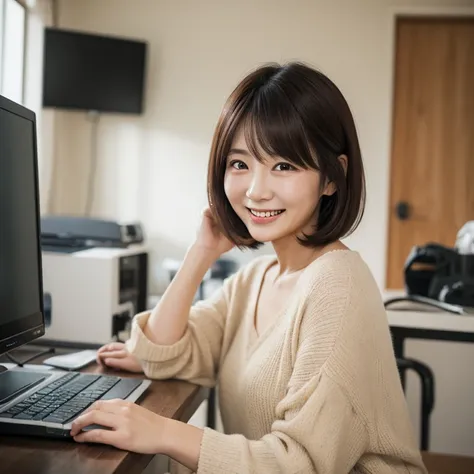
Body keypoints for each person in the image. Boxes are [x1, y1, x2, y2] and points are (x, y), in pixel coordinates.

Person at [70, 62, 427, 474]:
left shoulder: (338, 285)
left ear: (332, 177)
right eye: (240, 164)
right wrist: (201, 252)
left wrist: (164, 432)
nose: (256, 190)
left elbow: (302, 465)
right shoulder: (256, 279)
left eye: (284, 166)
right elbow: (162, 354)